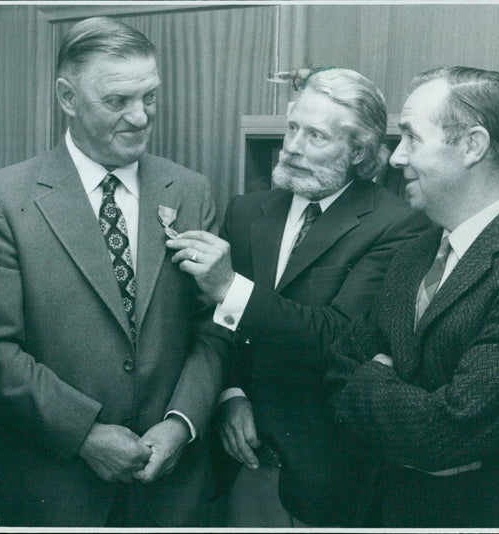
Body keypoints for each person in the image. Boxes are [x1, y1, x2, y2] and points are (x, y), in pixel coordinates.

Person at [0, 17, 227, 527]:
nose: (140, 117)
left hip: (172, 493)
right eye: (117, 101)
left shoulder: (190, 191)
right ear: (67, 97)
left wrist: (180, 425)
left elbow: (212, 329)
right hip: (56, 490)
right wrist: (84, 434)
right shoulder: (0, 199)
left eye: (149, 97)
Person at [165, 67, 430, 526]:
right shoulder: (246, 211)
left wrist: (230, 286)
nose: (292, 147)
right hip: (237, 464)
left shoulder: (397, 225)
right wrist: (230, 394)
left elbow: (340, 338)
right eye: (292, 128)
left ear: (359, 152)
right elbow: (214, 323)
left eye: (316, 137)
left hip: (326, 474)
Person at [325, 66, 499, 527]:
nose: (394, 158)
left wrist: (373, 379)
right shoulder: (415, 251)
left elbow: (446, 432)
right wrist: (408, 415)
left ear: (472, 145)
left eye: (412, 138)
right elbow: (337, 365)